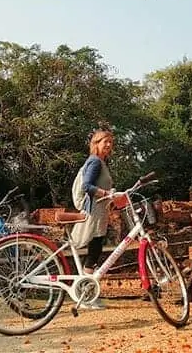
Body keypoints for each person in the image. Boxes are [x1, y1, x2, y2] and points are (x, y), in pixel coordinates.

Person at [69, 128, 116, 309]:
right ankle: (85, 294)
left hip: (100, 212)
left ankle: (86, 292)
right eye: (105, 142)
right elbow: (87, 186)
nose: (109, 145)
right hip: (94, 213)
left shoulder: (101, 162)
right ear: (96, 144)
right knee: (94, 251)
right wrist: (106, 194)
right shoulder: (95, 162)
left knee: (94, 251)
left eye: (110, 142)